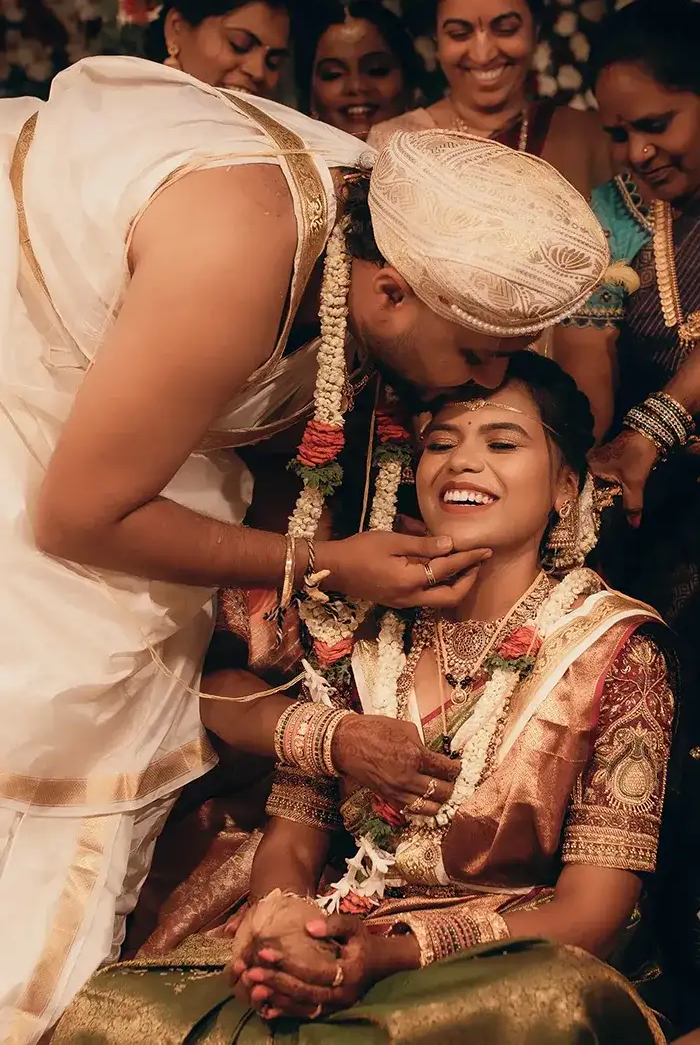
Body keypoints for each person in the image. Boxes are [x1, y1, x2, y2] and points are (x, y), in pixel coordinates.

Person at [0, 51, 610, 1040]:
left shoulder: (605, 642)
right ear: (391, 296)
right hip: (32, 435)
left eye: (506, 428)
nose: (477, 383)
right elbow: (76, 516)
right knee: (69, 727)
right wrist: (315, 568)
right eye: (474, 357)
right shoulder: (239, 254)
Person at [52, 353, 671, 1045]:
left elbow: (595, 912)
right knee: (118, 1017)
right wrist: (291, 926)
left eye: (501, 443)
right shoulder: (363, 632)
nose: (462, 463)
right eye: (441, 443)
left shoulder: (616, 650)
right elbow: (293, 832)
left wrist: (390, 953)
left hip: (500, 960)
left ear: (565, 487)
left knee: (540, 1009)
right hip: (338, 925)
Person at [552, 0, 700, 662]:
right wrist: (587, 470)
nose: (638, 151)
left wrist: (660, 419)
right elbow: (587, 364)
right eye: (618, 133)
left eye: (657, 123)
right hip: (672, 516)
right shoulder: (612, 216)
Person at [367, 0, 610, 199]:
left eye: (506, 29)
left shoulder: (588, 137)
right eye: (459, 33)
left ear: (535, 31)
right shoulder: (394, 144)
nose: (483, 54)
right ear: (436, 40)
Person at [300, 0, 425, 142]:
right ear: (310, 93)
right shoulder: (282, 163)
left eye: (377, 70)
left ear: (408, 84)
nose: (356, 86)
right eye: (334, 74)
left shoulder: (442, 157)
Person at [144, 0, 293, 95]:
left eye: (274, 61)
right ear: (176, 29)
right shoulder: (128, 114)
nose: (258, 72)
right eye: (240, 44)